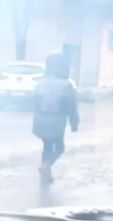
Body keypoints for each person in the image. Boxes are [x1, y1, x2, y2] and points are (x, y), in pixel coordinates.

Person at [33, 53, 79, 184]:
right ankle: (46, 166)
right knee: (59, 147)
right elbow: (72, 106)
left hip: (40, 120)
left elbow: (34, 101)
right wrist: (74, 123)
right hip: (56, 122)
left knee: (47, 146)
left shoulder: (40, 83)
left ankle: (46, 175)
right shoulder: (66, 85)